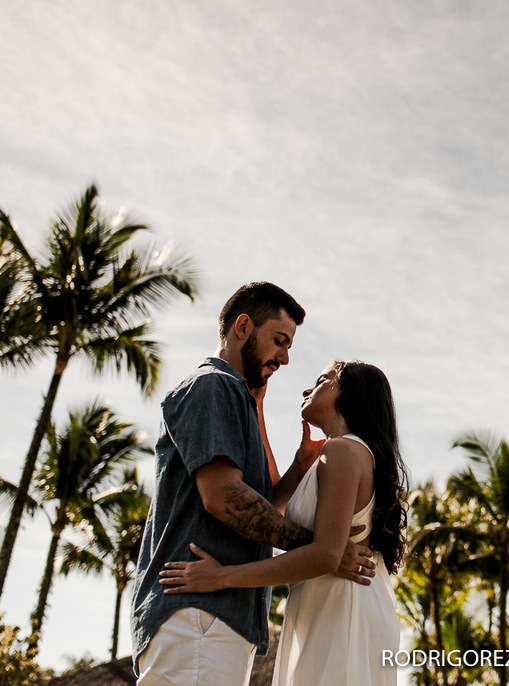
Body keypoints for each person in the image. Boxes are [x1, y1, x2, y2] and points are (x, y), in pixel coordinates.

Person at [130, 283, 378, 686]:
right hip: (200, 612)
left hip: (214, 617)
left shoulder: (235, 398)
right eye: (279, 341)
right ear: (243, 326)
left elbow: (258, 506)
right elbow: (225, 498)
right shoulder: (214, 385)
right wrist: (323, 549)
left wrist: (298, 469)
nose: (284, 358)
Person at [159, 360, 408, 686]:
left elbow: (326, 555)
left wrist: (220, 578)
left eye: (321, 381)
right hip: (329, 603)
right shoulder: (341, 454)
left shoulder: (343, 451)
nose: (307, 389)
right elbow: (268, 512)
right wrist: (295, 457)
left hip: (342, 607)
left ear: (346, 391)